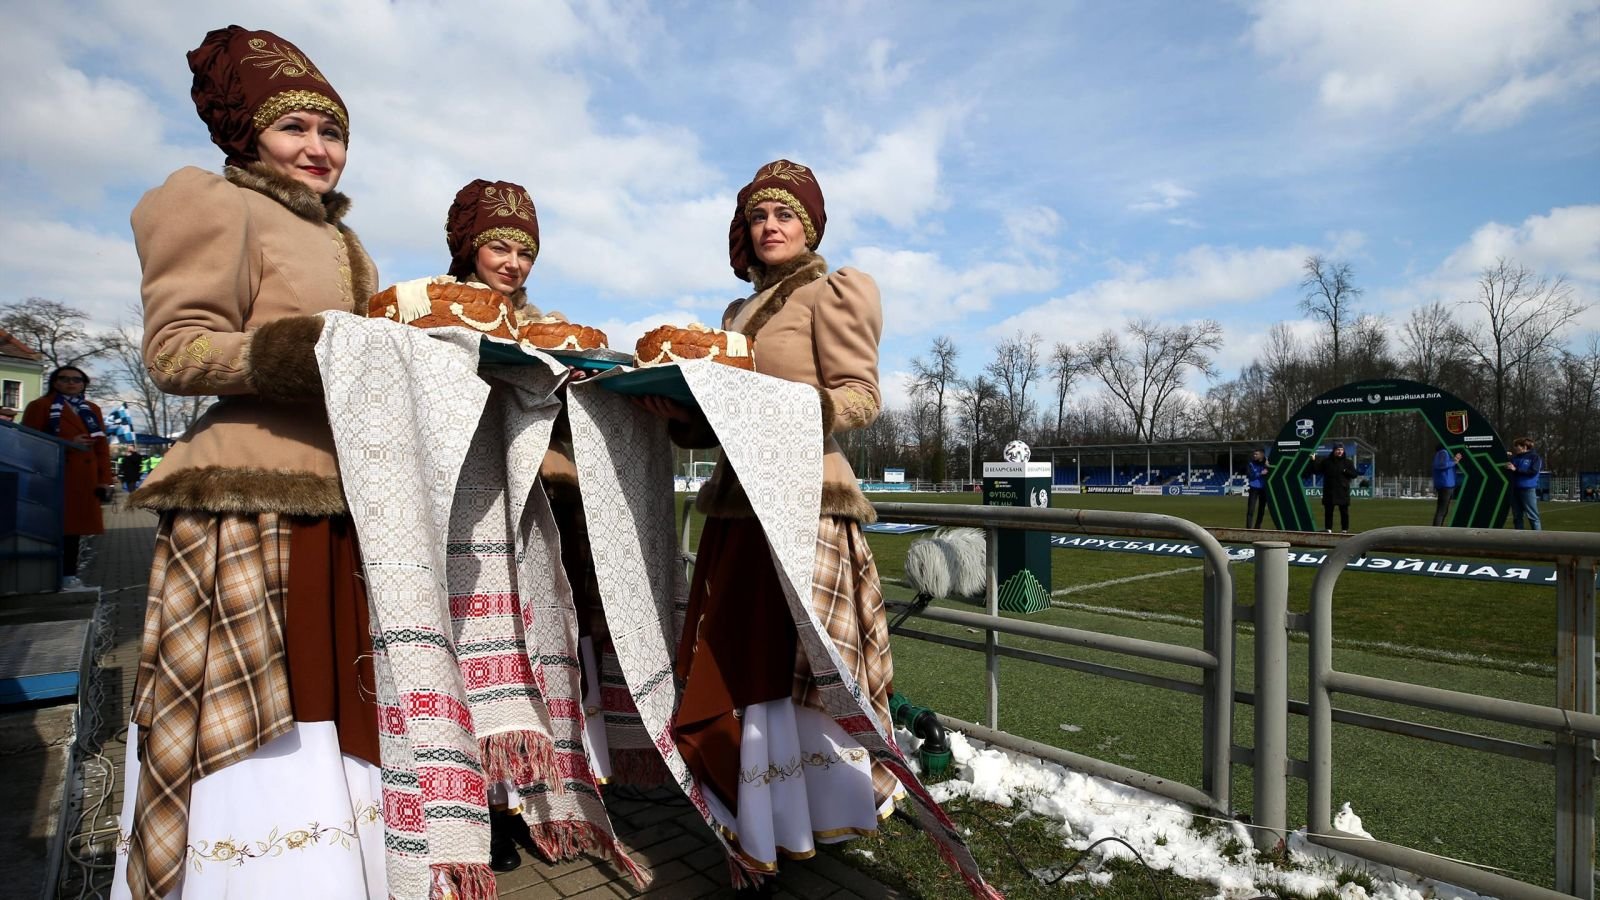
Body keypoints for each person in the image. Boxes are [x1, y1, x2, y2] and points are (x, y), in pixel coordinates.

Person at [113, 26, 382, 900]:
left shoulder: (348, 244)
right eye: (295, 128)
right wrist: (299, 353)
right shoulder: (215, 203)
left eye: (331, 132)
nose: (318, 149)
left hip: (341, 507)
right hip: (246, 507)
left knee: (335, 710)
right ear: (248, 135)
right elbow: (178, 351)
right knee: (258, 718)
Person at [638, 160, 896, 890]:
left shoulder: (833, 291)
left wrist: (789, 413)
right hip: (737, 509)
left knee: (800, 676)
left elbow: (860, 397)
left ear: (808, 227)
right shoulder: (733, 318)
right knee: (743, 669)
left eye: (785, 215)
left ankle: (813, 815)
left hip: (806, 504)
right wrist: (680, 416)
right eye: (758, 216)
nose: (771, 226)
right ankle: (761, 815)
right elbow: (724, 425)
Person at [21, 366, 114, 589]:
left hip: (85, 479)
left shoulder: (91, 409)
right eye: (64, 379)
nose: (71, 383)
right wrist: (69, 443)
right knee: (56, 528)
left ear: (83, 384)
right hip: (55, 476)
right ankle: (50, 576)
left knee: (75, 530)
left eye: (77, 380)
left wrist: (105, 479)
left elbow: (102, 447)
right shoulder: (40, 407)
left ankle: (68, 575)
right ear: (55, 382)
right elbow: (28, 442)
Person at [1312, 442, 1358, 533]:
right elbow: (1316, 471)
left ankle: (1344, 530)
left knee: (1344, 512)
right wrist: (1313, 461)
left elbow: (1354, 474)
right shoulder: (1326, 462)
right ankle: (1328, 529)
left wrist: (1345, 471)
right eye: (1338, 450)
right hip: (1329, 491)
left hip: (1343, 491)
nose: (1340, 452)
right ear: (1334, 451)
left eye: (1341, 450)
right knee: (1328, 512)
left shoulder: (1348, 462)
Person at [1505, 437, 1543, 530]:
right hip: (1514, 489)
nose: (1515, 448)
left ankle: (1537, 538)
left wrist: (1515, 469)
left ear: (1524, 447)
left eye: (1517, 446)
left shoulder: (1535, 457)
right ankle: (1519, 538)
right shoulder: (1514, 458)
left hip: (1527, 489)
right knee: (1517, 516)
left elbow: (1533, 472)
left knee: (1532, 516)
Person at [1431, 443, 1465, 526]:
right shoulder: (1443, 452)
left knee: (1443, 510)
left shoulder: (1443, 453)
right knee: (1441, 510)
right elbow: (1442, 465)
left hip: (1446, 484)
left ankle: (1438, 528)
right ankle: (1436, 529)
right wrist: (1454, 461)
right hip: (1445, 485)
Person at [1245, 449, 1270, 528]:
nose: (1254, 455)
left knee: (1261, 510)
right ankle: (1249, 528)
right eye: (1254, 454)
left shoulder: (1267, 462)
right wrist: (1260, 473)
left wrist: (1268, 466)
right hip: (1253, 488)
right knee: (1251, 510)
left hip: (1263, 488)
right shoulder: (1251, 463)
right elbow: (1249, 475)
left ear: (1262, 455)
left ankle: (1257, 527)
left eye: (1256, 454)